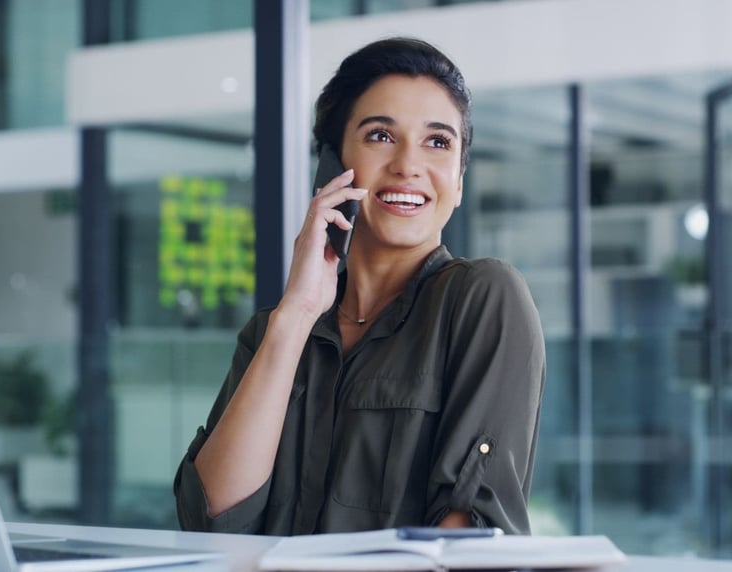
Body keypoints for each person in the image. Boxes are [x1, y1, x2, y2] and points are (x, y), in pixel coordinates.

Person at [173, 37, 546, 535]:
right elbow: (212, 518)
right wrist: (297, 315)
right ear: (331, 165)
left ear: (458, 180)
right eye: (380, 136)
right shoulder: (274, 331)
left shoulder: (482, 299)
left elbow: (467, 533)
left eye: (438, 142)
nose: (409, 166)